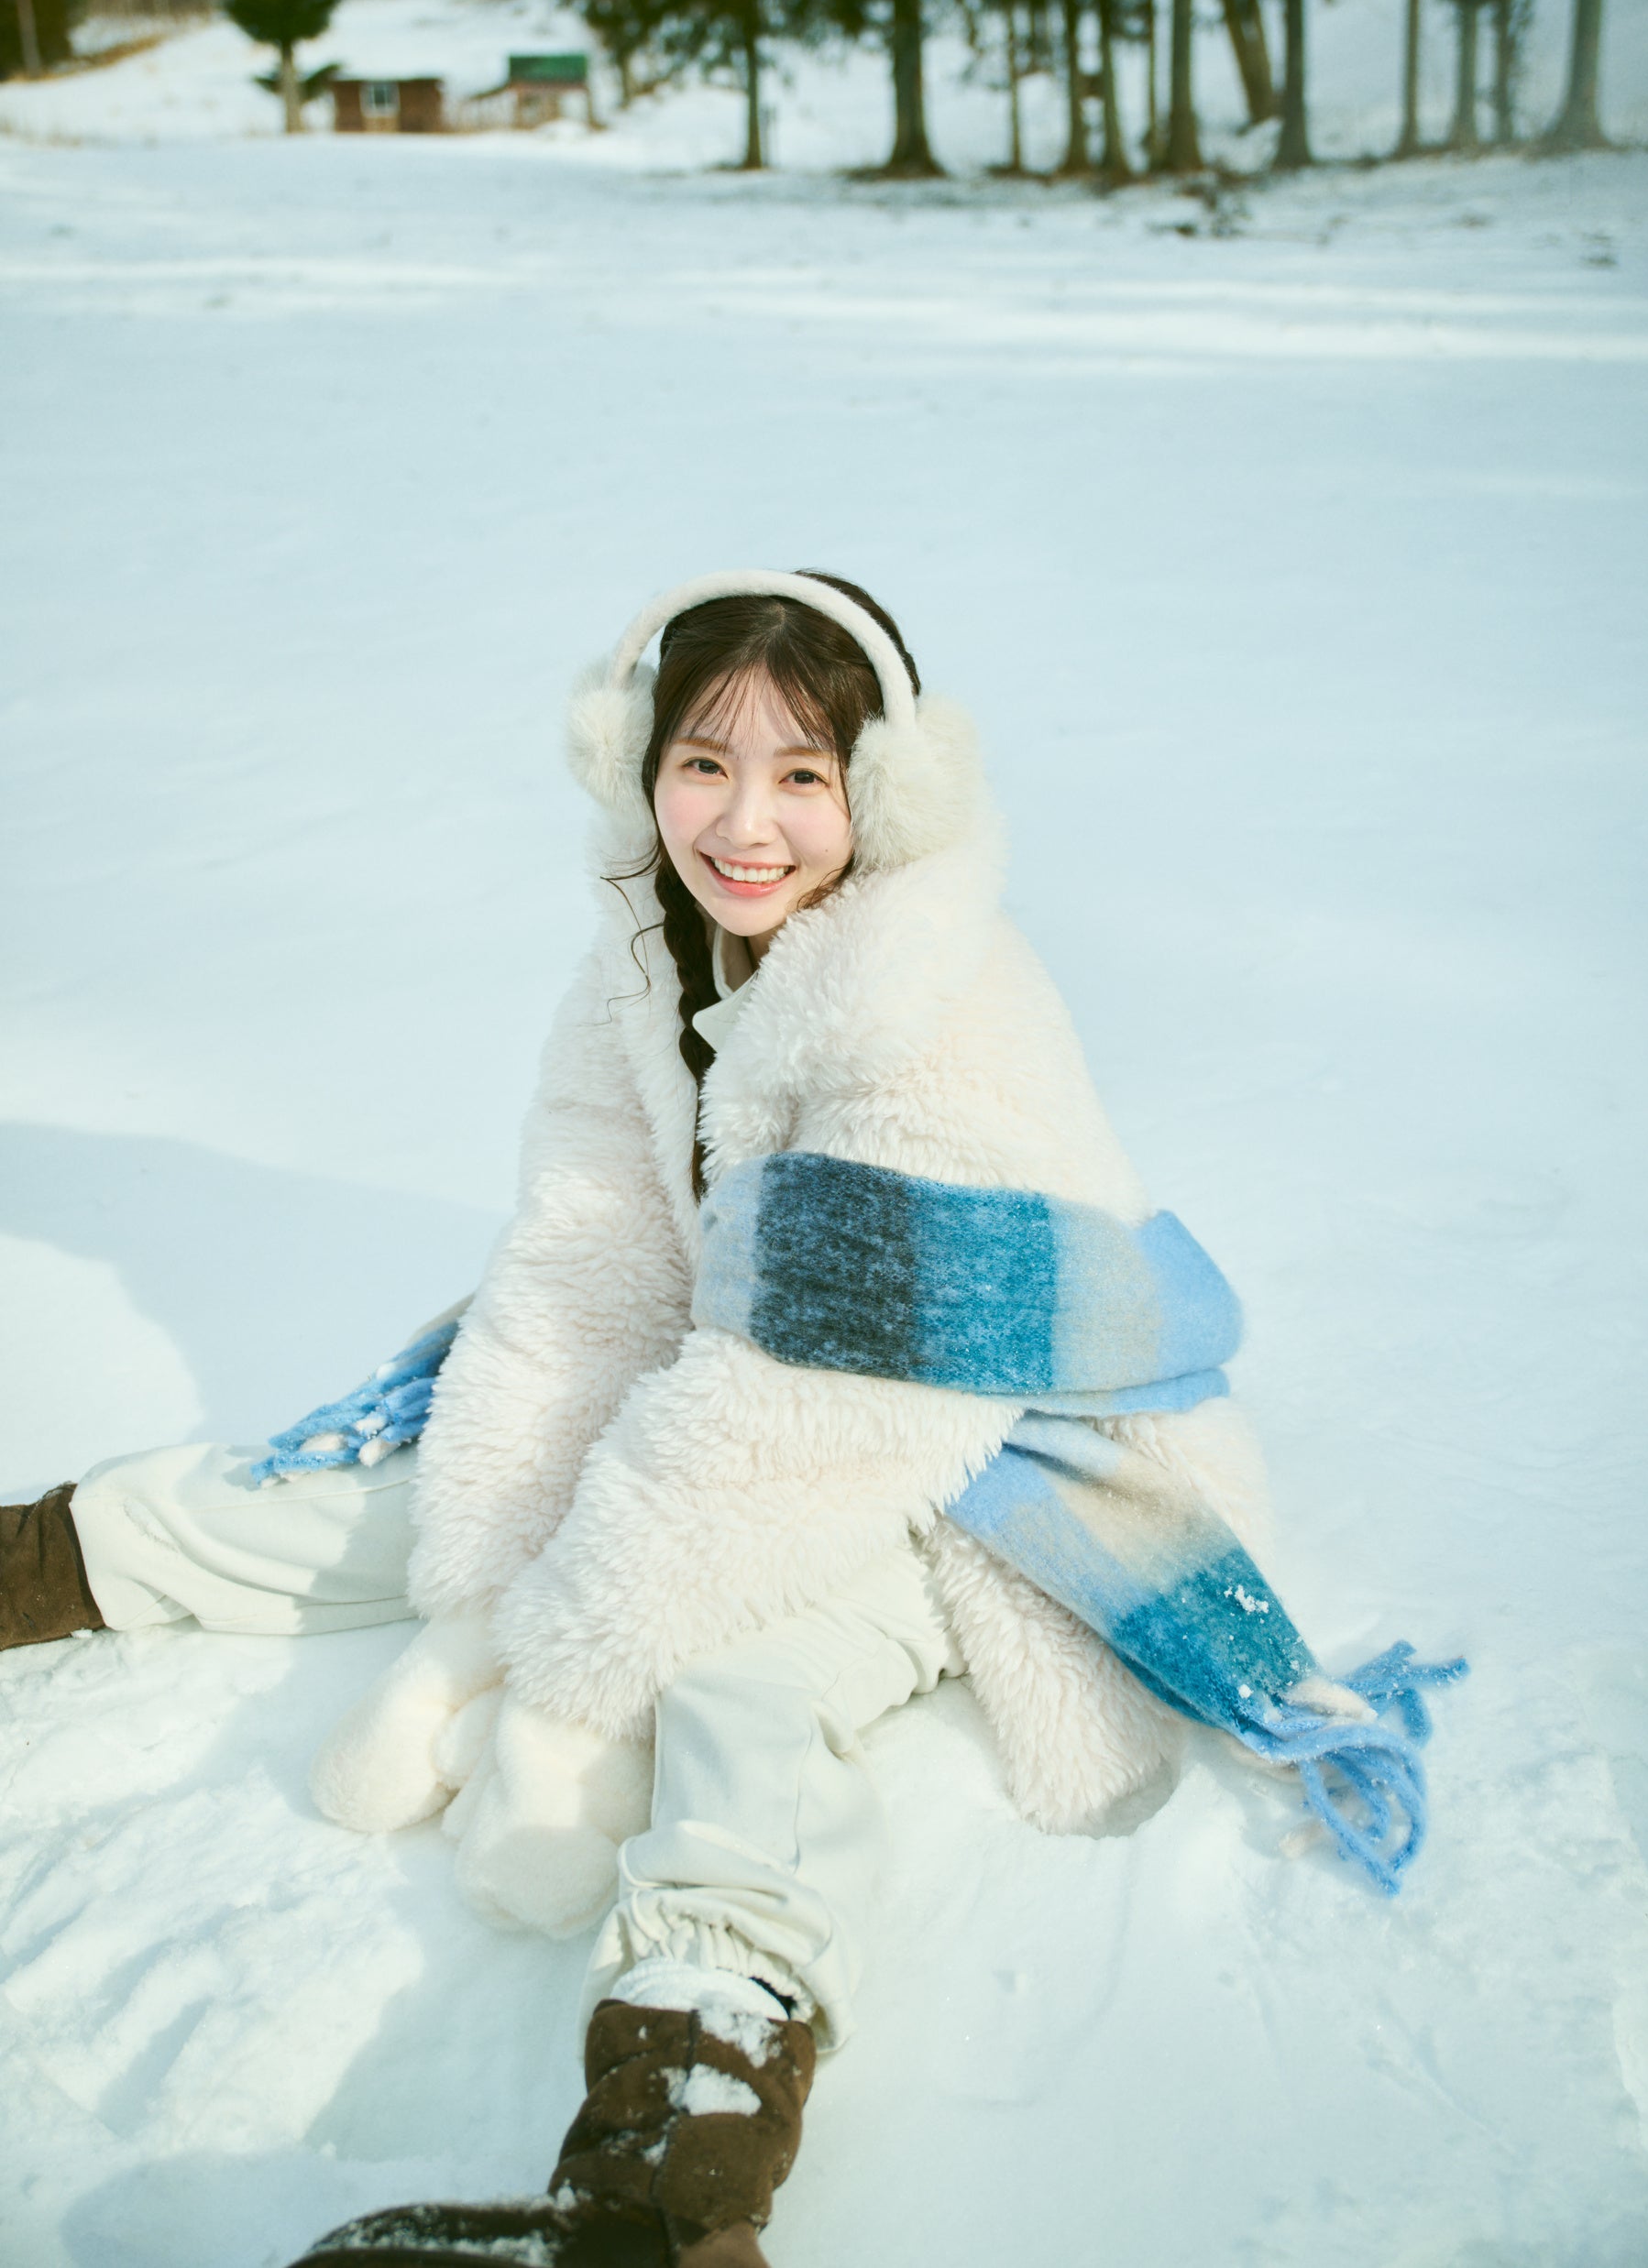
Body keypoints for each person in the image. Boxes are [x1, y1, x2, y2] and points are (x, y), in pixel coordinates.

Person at [4, 570, 1284, 2267]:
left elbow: (828, 1418)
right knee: (398, 1482)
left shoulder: (939, 1001)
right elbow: (584, 1268)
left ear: (885, 790)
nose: (745, 824)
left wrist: (561, 1654)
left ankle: (666, 2189)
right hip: (739, 1375)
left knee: (741, 1684)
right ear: (637, 764)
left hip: (990, 1448)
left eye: (804, 775)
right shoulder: (645, 953)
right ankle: (38, 1562)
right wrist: (486, 1551)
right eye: (702, 763)